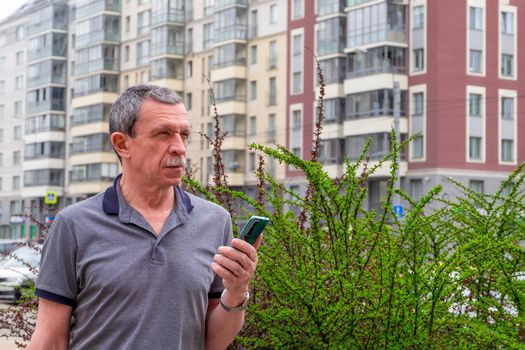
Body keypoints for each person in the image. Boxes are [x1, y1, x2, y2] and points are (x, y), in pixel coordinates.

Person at [28, 85, 261, 350]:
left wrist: (237, 289)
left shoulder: (215, 221)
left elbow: (211, 343)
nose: (179, 148)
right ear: (122, 144)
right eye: (163, 134)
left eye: (184, 135)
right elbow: (49, 338)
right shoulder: (73, 225)